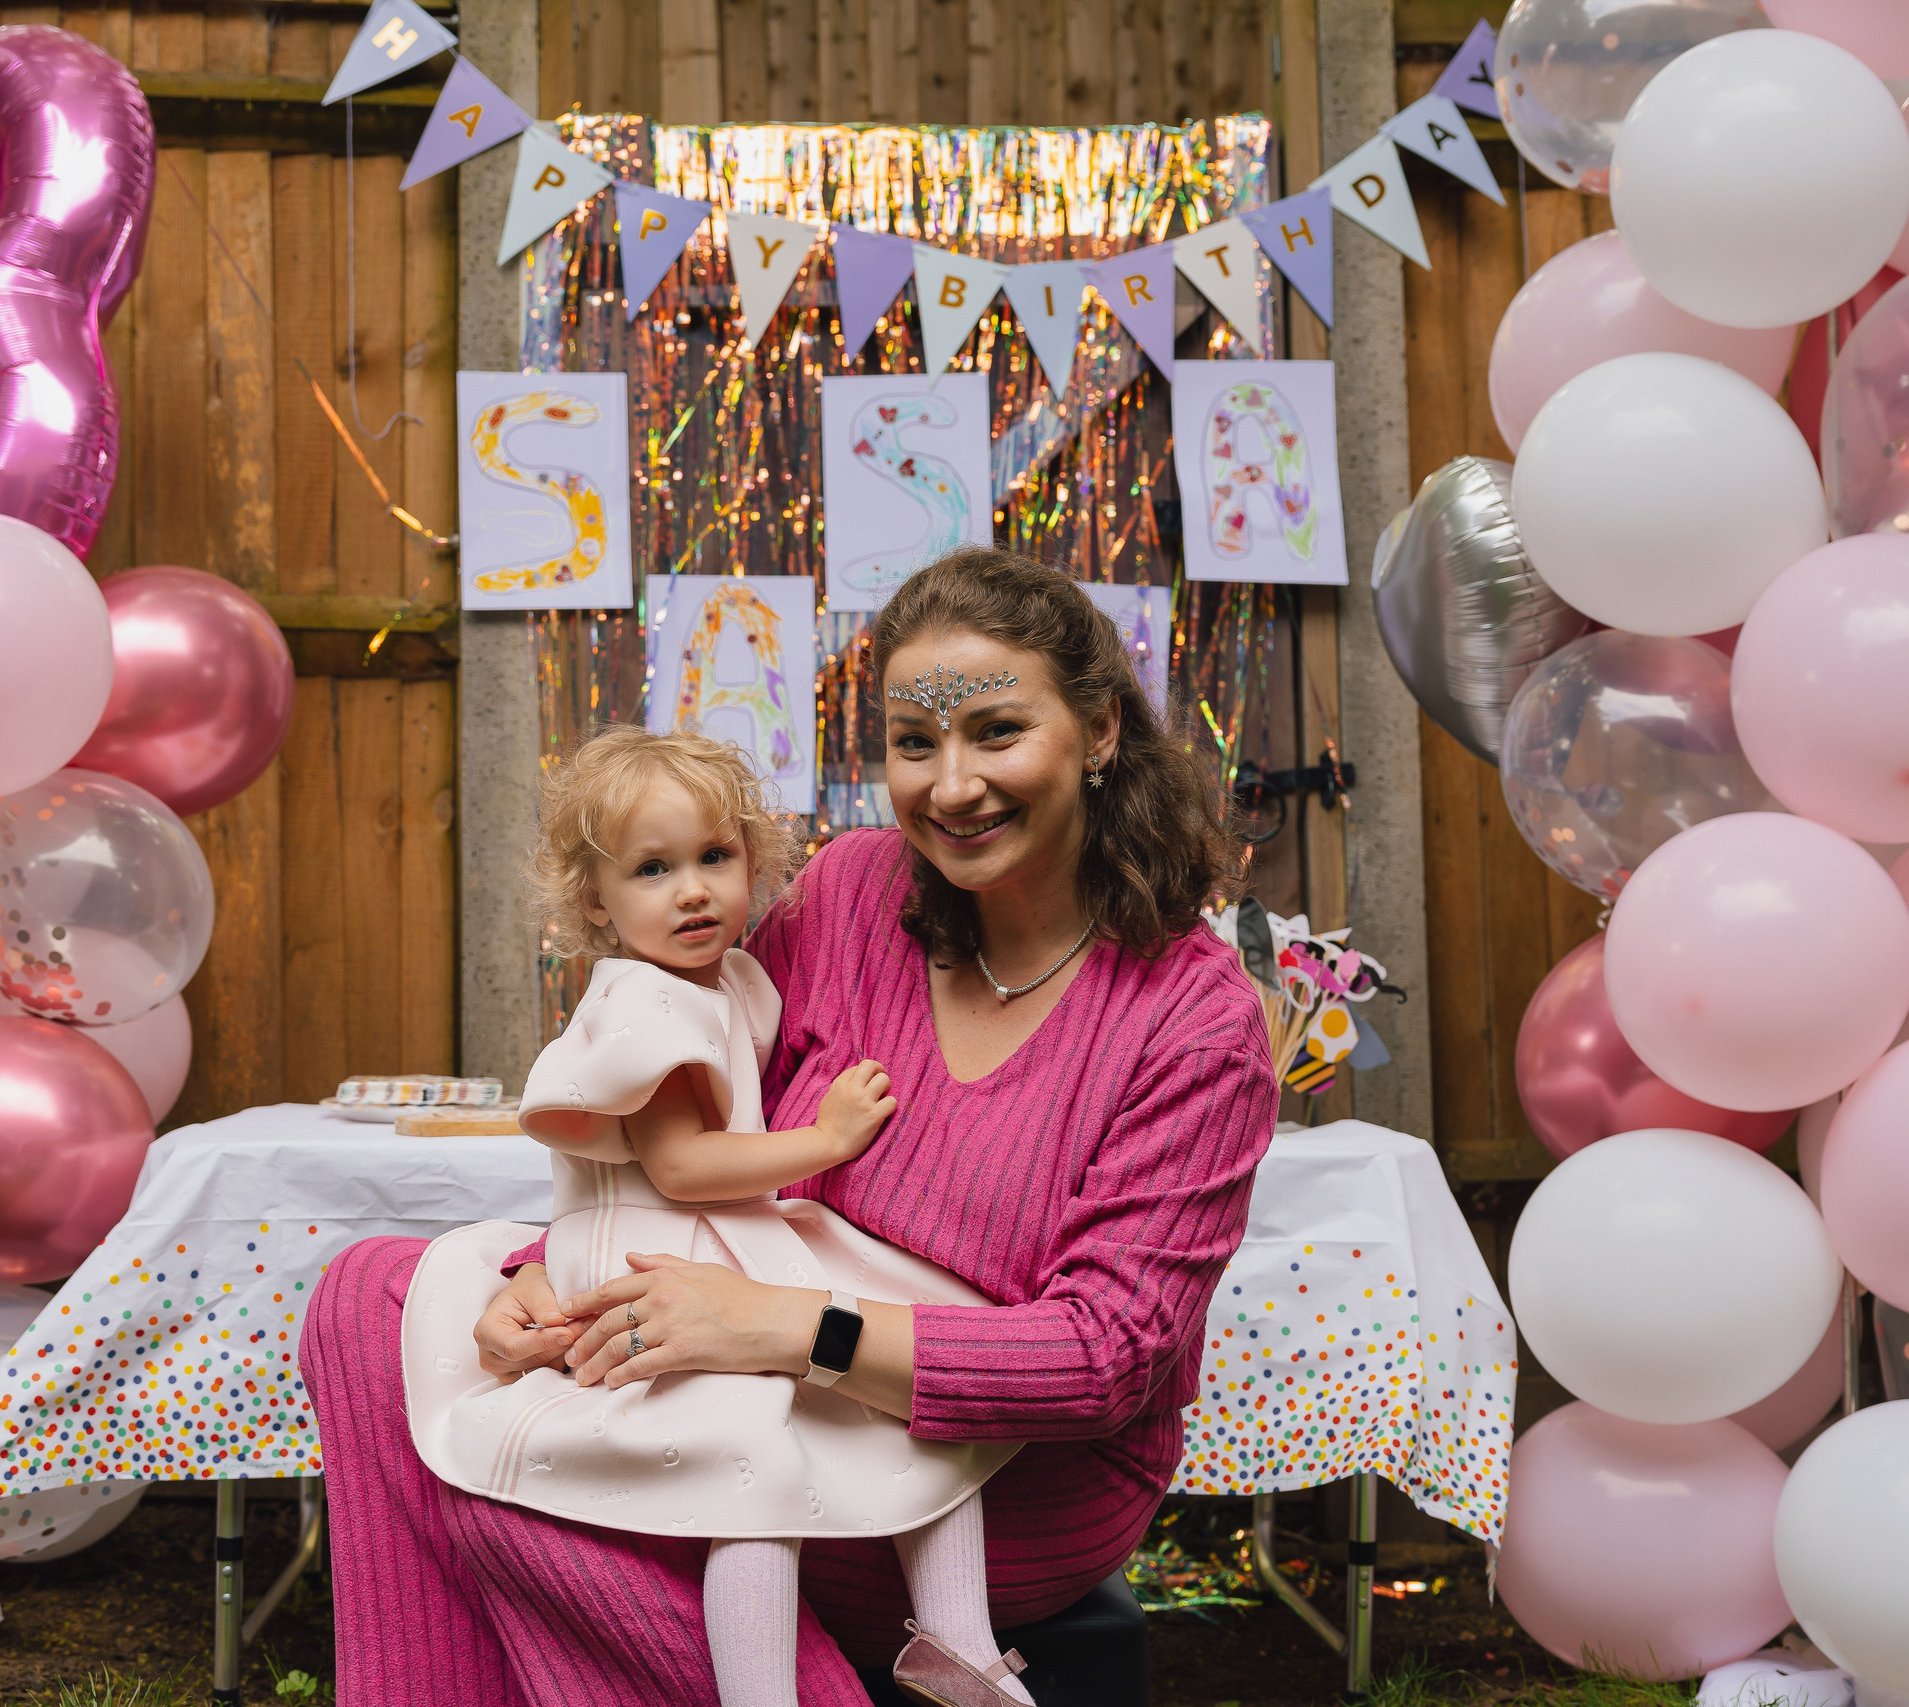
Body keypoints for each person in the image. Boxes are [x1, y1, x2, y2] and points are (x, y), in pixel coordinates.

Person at [302, 547, 1276, 1705]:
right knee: (375, 1296)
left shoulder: (1192, 1019)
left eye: (997, 733)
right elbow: (688, 1131)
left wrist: (784, 1328)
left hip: (986, 1480)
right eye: (915, 744)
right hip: (761, 1383)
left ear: (1101, 729)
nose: (950, 787)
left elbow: (1105, 1359)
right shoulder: (856, 892)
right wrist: (539, 1276)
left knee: (508, 1498)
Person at [401, 724, 1036, 1707]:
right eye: (652, 869)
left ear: (753, 860)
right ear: (595, 903)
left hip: (717, 1237)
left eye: (713, 857)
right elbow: (684, 1164)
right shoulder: (649, 1005)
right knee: (745, 1462)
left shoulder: (730, 976)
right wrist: (828, 1142)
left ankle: (958, 1639)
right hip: (661, 1250)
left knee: (913, 1368)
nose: (692, 890)